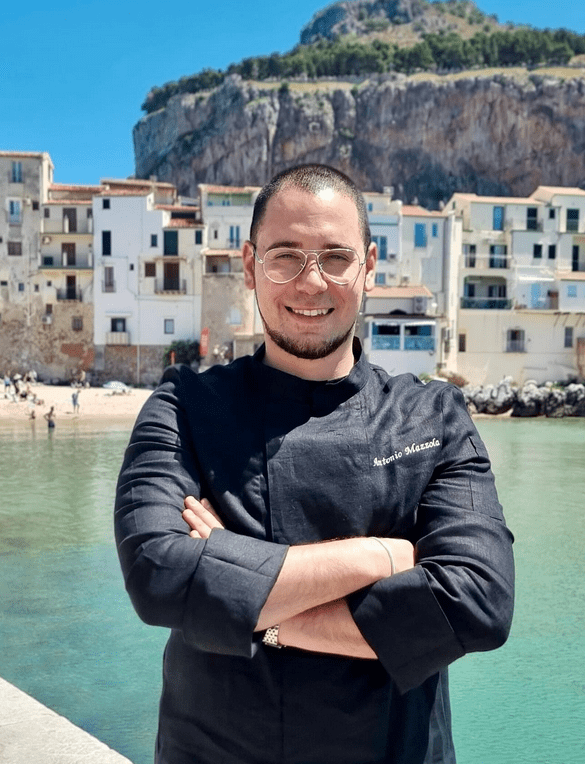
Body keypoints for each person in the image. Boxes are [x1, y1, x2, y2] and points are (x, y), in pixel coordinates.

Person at [115, 164, 514, 764]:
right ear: (250, 266)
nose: (311, 282)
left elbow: (477, 603)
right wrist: (377, 556)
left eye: (335, 257)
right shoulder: (184, 407)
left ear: (368, 266)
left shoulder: (433, 415)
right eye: (285, 257)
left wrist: (243, 599)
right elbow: (158, 574)